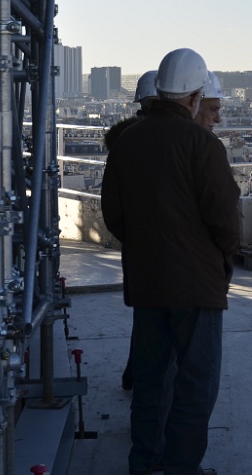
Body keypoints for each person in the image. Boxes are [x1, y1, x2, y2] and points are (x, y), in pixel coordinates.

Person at [102, 48, 240, 475]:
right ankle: (182, 467)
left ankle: (144, 462)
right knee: (196, 383)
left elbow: (114, 214)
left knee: (150, 379)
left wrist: (146, 245)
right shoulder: (203, 144)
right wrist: (219, 257)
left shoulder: (126, 141)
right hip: (196, 285)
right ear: (195, 96)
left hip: (146, 281)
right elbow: (225, 218)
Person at [108, 69, 158, 392]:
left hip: (139, 248)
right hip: (169, 250)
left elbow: (112, 209)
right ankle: (143, 380)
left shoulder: (123, 142)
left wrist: (132, 237)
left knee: (146, 319)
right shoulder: (175, 140)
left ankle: (135, 374)